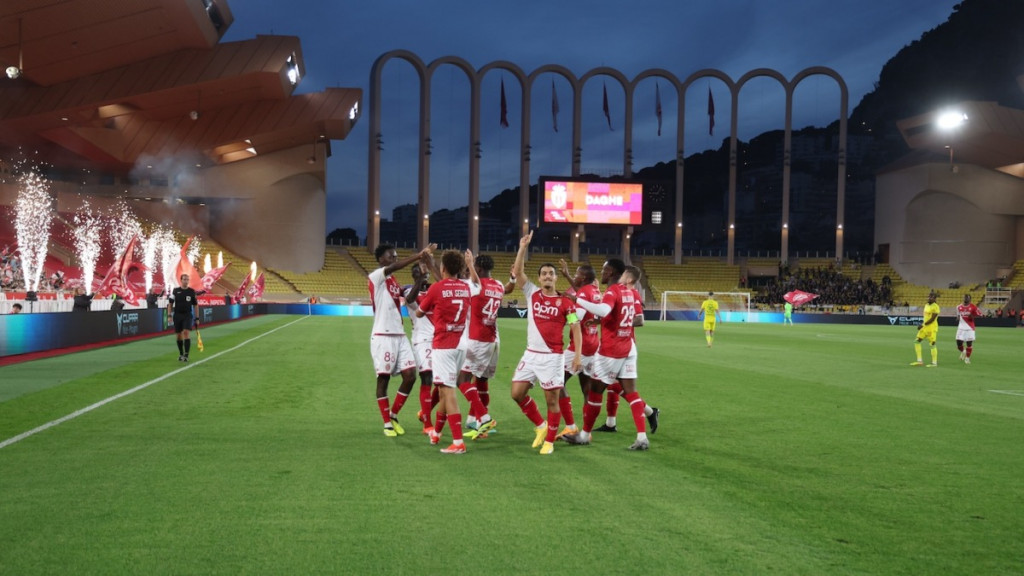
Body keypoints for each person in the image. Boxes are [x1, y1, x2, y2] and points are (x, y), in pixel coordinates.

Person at [566, 259, 658, 451]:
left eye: (605, 269)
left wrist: (578, 300)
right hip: (629, 346)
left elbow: (604, 309)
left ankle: (583, 435)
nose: (602, 272)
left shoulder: (613, 290)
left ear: (613, 272)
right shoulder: (631, 292)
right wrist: (603, 322)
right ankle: (642, 437)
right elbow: (622, 317)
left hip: (611, 350)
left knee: (594, 392)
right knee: (631, 392)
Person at [508, 231, 582, 455]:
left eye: (551, 273)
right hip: (531, 354)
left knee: (552, 400)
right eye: (544, 274)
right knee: (516, 393)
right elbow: (518, 272)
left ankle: (549, 440)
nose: (547, 276)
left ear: (555, 278)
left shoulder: (565, 303)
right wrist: (523, 247)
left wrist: (577, 355)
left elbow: (575, 328)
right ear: (539, 279)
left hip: (553, 357)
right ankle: (541, 426)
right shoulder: (531, 293)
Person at [368, 243, 436, 437]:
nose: (395, 259)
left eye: (396, 256)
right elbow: (393, 268)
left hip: (400, 334)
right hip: (383, 335)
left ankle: (394, 415)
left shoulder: (394, 282)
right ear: (381, 259)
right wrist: (418, 256)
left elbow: (409, 298)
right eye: (392, 256)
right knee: (383, 379)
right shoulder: (377, 276)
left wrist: (421, 278)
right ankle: (387, 424)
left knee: (411, 376)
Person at [415, 250, 477, 454]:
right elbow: (476, 284)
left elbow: (419, 312)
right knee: (443, 389)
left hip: (444, 345)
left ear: (443, 268)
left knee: (448, 391)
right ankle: (438, 433)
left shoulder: (436, 288)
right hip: (461, 344)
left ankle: (458, 442)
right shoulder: (466, 287)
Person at [457, 253, 503, 438]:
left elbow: (447, 281)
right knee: (482, 381)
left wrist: (468, 264)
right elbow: (509, 286)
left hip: (477, 340)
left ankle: (484, 418)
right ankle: (473, 420)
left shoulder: (474, 286)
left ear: (479, 269)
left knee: (462, 380)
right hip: (493, 339)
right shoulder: (498, 285)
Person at [556, 259, 601, 437]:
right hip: (593, 344)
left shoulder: (583, 294)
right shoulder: (595, 291)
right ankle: (586, 430)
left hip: (579, 346)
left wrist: (564, 308)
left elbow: (577, 317)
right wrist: (567, 275)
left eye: (576, 274)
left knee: (556, 381)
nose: (575, 277)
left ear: (583, 277)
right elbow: (580, 293)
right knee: (586, 387)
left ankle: (570, 426)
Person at [403, 261, 436, 435]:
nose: (424, 275)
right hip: (422, 341)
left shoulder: (434, 290)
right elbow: (409, 300)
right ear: (414, 276)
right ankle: (427, 424)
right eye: (419, 273)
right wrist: (419, 280)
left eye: (425, 273)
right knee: (427, 378)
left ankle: (425, 412)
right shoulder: (409, 290)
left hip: (439, 339)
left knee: (443, 381)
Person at [168, 273, 200, 362]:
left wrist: (197, 318)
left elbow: (196, 305)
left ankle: (186, 355)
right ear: (181, 280)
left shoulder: (191, 291)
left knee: (186, 332)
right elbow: (170, 304)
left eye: (187, 279)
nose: (186, 281)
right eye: (184, 279)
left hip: (187, 315)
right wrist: (169, 315)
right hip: (177, 315)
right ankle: (181, 353)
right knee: (178, 335)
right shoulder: (175, 291)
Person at [911, 291, 940, 367]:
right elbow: (926, 318)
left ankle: (934, 363)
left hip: (931, 328)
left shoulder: (935, 307)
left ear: (934, 299)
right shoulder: (926, 305)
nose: (929, 298)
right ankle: (919, 361)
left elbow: (932, 319)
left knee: (932, 344)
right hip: (924, 328)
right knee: (917, 341)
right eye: (928, 296)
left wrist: (922, 324)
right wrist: (923, 325)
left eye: (931, 297)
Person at [955, 294, 982, 365]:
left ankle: (967, 358)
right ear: (963, 298)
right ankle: (963, 351)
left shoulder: (973, 307)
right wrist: (958, 318)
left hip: (970, 328)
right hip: (961, 328)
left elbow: (980, 315)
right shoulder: (958, 307)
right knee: (958, 344)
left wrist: (972, 316)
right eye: (965, 297)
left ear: (970, 299)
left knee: (969, 344)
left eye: (967, 298)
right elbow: (958, 315)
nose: (966, 299)